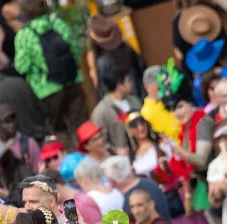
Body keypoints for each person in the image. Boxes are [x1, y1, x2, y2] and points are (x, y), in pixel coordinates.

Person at [13, 0, 86, 137]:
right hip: (72, 80)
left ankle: (67, 150)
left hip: (47, 91)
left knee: (59, 131)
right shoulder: (58, 24)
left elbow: (22, 67)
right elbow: (74, 50)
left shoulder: (24, 35)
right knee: (82, 125)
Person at [90, 66, 140, 155]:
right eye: (128, 81)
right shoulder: (101, 112)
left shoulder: (134, 101)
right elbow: (100, 142)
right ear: (119, 85)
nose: (131, 84)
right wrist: (115, 151)